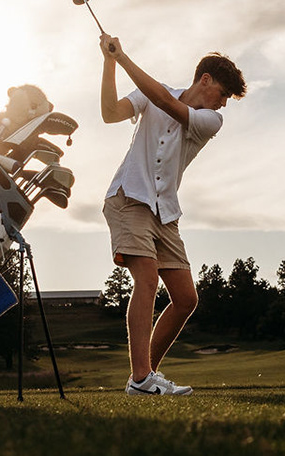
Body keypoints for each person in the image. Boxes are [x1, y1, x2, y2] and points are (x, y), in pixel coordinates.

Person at [98, 33, 246, 395]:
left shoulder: (210, 120)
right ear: (206, 80)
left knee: (185, 299)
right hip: (128, 198)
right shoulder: (155, 91)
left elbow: (163, 101)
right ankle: (141, 379)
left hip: (165, 212)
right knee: (146, 280)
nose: (223, 104)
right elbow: (109, 114)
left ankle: (146, 376)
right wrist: (109, 63)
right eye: (223, 94)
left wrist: (123, 56)